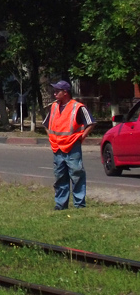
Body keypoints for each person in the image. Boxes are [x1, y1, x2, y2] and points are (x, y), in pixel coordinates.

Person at [41, 80, 94, 210]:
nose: (54, 94)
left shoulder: (78, 107)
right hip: (57, 147)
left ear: (65, 93)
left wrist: (82, 136)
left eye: (57, 91)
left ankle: (79, 204)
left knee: (76, 174)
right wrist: (51, 137)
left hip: (72, 147)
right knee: (60, 177)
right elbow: (46, 124)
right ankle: (60, 204)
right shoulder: (53, 107)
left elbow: (91, 123)